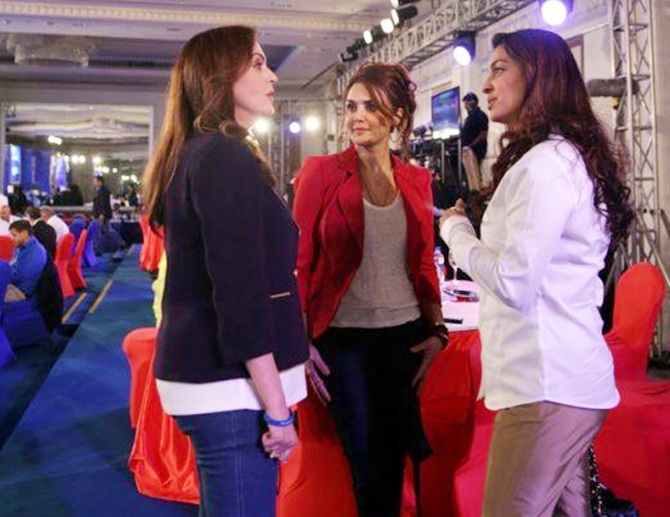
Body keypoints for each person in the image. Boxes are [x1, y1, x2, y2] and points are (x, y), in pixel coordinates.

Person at [439, 29, 634, 516]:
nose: (486, 83)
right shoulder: (558, 158)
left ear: (538, 77)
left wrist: (457, 233)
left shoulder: (546, 165)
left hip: (546, 385)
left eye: (499, 68)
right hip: (562, 382)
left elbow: (514, 282)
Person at [141, 25, 309, 516]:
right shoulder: (222, 155)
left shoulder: (201, 151)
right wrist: (277, 410)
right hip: (227, 382)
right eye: (257, 63)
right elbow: (238, 294)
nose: (273, 75)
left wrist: (298, 343)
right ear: (220, 76)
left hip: (215, 376)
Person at [293, 62, 447, 517]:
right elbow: (299, 263)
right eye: (350, 106)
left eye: (371, 107)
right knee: (367, 469)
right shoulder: (320, 173)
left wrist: (438, 330)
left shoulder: (417, 180)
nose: (356, 116)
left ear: (397, 116)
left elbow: (422, 262)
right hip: (344, 341)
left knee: (399, 461)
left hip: (405, 337)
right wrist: (298, 340)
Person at [6, 220, 47, 302]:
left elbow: (18, 277)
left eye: (14, 235)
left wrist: (3, 274)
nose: (12, 238)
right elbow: (14, 265)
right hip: (16, 284)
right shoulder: (23, 246)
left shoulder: (33, 252)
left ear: (24, 233)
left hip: (22, 291)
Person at [461, 92, 489, 163]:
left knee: (475, 173)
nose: (465, 106)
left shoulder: (480, 115)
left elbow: (483, 134)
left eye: (466, 103)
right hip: (469, 152)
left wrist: (470, 146)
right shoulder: (469, 117)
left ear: (472, 102)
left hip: (476, 152)